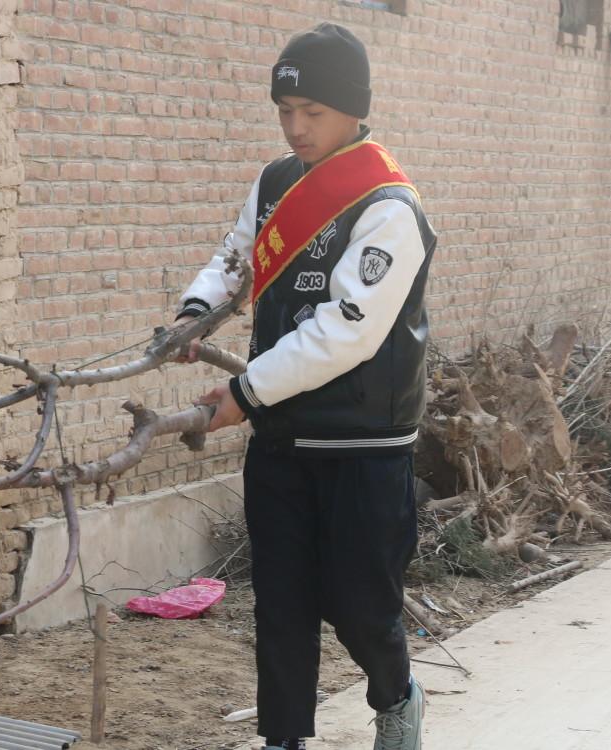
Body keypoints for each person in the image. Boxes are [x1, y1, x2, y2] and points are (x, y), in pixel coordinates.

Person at [174, 22, 437, 750]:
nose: (295, 128)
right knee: (281, 606)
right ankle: (282, 739)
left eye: (312, 112)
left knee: (360, 606)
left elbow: (347, 329)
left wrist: (243, 395)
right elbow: (235, 261)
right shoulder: (273, 184)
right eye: (286, 111)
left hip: (364, 443)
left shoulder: (388, 206)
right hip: (282, 438)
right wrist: (196, 311)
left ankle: (396, 698)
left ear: (353, 109)